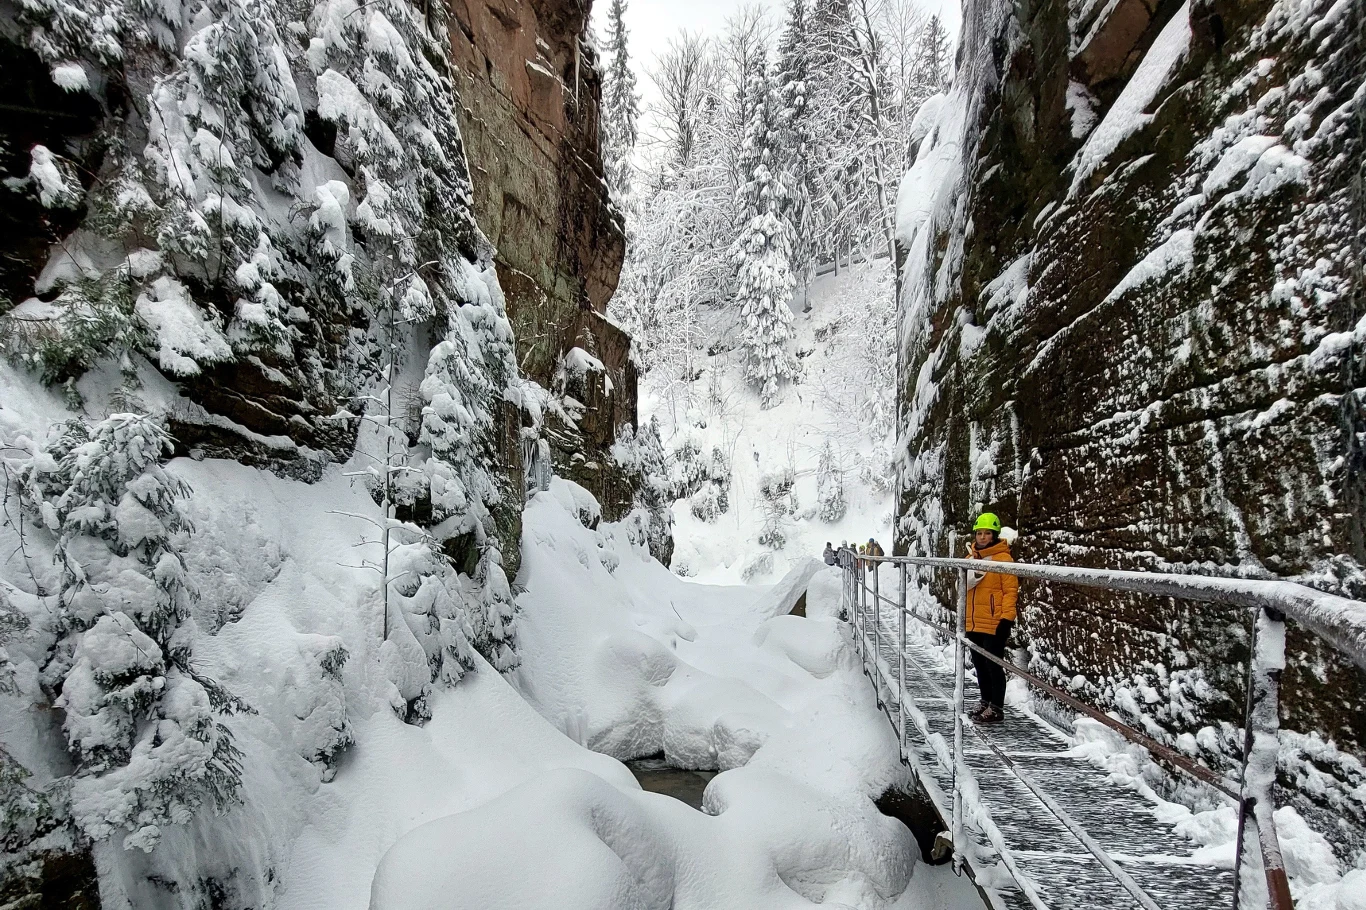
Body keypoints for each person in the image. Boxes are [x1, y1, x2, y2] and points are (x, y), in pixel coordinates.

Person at [965, 512, 1017, 724]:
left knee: (993, 665)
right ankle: (985, 700)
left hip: (994, 622)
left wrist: (1006, 620)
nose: (983, 537)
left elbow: (1011, 591)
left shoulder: (1004, 559)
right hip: (975, 621)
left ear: (995, 535)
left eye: (987, 533)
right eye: (979, 533)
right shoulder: (970, 559)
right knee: (979, 663)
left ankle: (997, 707)